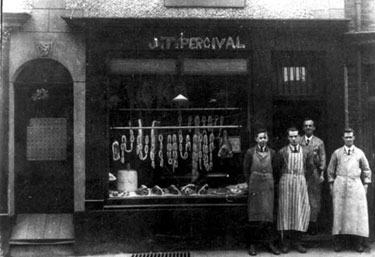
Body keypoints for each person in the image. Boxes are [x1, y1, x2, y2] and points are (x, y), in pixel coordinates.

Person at [327, 128, 371, 252]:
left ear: (354, 138)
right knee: (339, 214)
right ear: (343, 138)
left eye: (350, 137)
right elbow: (330, 170)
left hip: (356, 184)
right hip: (340, 185)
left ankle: (357, 243)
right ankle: (339, 243)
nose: (349, 139)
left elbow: (366, 169)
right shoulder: (337, 153)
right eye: (346, 137)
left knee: (356, 214)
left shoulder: (359, 153)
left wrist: (366, 184)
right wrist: (331, 184)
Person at [243, 129, 280, 256]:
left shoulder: (273, 153)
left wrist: (271, 182)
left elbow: (276, 170)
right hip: (255, 185)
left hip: (268, 185)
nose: (263, 140)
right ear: (256, 139)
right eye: (260, 138)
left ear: (267, 139)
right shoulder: (250, 152)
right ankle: (252, 244)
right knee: (254, 215)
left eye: (265, 137)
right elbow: (246, 170)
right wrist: (250, 183)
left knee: (268, 216)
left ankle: (269, 243)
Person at [277, 127, 314, 254]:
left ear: (299, 137)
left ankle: (298, 242)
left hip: (300, 182)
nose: (293, 139)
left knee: (300, 211)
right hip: (286, 182)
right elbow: (278, 168)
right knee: (286, 212)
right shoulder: (282, 152)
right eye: (291, 136)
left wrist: (304, 181)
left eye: (296, 136)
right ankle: (286, 243)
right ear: (288, 138)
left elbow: (310, 168)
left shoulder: (306, 151)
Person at [300, 118, 326, 235]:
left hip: (314, 173)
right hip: (301, 173)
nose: (308, 128)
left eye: (310, 126)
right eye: (306, 126)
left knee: (314, 199)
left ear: (314, 128)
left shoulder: (319, 142)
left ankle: (313, 225)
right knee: (301, 198)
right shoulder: (299, 140)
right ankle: (302, 225)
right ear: (303, 128)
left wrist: (321, 173)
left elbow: (323, 158)